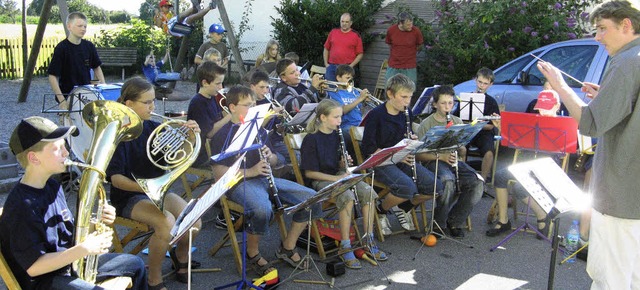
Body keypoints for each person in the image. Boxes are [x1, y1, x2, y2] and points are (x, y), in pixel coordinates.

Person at [539, 2, 640, 287]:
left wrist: (560, 87)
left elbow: (591, 124)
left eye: (602, 29)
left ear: (626, 26)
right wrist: (605, 96)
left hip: (621, 195)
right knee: (633, 277)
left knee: (610, 279)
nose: (598, 37)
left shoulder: (627, 61)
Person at [0, 116, 147, 290]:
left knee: (136, 264)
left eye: (65, 146)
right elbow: (34, 267)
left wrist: (97, 224)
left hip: (69, 264)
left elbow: (70, 237)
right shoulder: (22, 206)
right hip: (44, 281)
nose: (66, 153)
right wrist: (84, 249)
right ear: (33, 158)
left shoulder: (53, 186)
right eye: (58, 148)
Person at [210, 85, 322, 276]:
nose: (253, 108)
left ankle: (288, 246)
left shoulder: (257, 129)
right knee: (262, 209)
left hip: (265, 178)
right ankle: (252, 253)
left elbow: (278, 161)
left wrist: (271, 156)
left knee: (312, 198)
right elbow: (219, 175)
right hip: (239, 184)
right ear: (232, 107)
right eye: (247, 105)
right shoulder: (222, 135)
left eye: (254, 104)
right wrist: (251, 171)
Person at [106, 77, 202, 290]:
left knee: (194, 220)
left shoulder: (153, 127)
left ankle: (180, 257)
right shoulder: (117, 136)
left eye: (153, 101)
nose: (153, 106)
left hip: (158, 192)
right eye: (147, 102)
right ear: (129, 104)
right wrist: (146, 187)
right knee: (166, 222)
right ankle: (154, 279)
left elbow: (180, 156)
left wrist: (191, 137)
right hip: (129, 197)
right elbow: (116, 180)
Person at [300, 99, 386, 269]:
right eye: (336, 117)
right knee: (346, 196)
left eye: (341, 117)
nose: (340, 121)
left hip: (336, 175)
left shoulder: (337, 135)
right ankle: (345, 245)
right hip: (319, 180)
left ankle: (368, 239)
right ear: (323, 117)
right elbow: (309, 173)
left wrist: (342, 163)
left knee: (367, 191)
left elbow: (336, 165)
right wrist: (337, 179)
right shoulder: (311, 139)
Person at [361, 73, 443, 233]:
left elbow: (402, 139)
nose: (407, 102)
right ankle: (381, 210)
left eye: (410, 97)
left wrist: (411, 141)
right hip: (380, 162)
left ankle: (402, 206)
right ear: (390, 94)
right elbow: (368, 148)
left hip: (401, 159)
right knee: (407, 188)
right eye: (403, 97)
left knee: (436, 187)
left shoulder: (406, 113)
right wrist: (395, 155)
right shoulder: (376, 115)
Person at [485, 89, 564, 239]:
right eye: (541, 108)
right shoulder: (531, 122)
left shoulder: (562, 125)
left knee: (520, 185)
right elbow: (515, 142)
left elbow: (566, 151)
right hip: (526, 165)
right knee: (500, 176)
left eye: (547, 108)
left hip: (548, 167)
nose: (543, 112)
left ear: (557, 106)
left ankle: (542, 216)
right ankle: (503, 221)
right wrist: (502, 129)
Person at [416, 85, 483, 238]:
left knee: (477, 182)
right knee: (447, 181)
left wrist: (462, 149)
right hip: (433, 161)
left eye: (450, 103)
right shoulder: (426, 124)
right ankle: (438, 224)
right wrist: (441, 157)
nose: (448, 107)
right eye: (443, 103)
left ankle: (455, 221)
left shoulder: (457, 120)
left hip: (453, 160)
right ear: (434, 104)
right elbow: (418, 155)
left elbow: (462, 151)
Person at [48, 12, 104, 109]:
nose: (83, 29)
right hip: (68, 97)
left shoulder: (89, 46)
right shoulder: (61, 48)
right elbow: (52, 76)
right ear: (69, 26)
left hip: (88, 96)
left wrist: (104, 88)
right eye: (80, 26)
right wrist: (62, 101)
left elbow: (97, 67)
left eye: (85, 26)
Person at [456, 67, 501, 185]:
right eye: (480, 82)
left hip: (484, 132)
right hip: (467, 131)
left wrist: (475, 124)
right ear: (476, 80)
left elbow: (491, 126)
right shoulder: (465, 98)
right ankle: (462, 179)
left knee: (489, 150)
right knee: (461, 148)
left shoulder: (491, 102)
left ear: (490, 85)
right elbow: (456, 119)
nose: (481, 86)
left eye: (485, 84)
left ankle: (483, 181)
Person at [187, 61, 230, 168]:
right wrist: (230, 116)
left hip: (214, 146)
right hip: (203, 153)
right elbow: (210, 133)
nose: (221, 87)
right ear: (205, 83)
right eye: (218, 83)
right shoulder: (198, 103)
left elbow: (220, 119)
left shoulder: (213, 97)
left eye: (222, 83)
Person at [327, 64, 369, 156]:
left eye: (351, 78)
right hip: (345, 127)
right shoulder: (334, 93)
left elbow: (360, 110)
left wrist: (365, 102)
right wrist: (359, 99)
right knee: (366, 143)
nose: (350, 81)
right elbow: (341, 111)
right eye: (347, 78)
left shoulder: (355, 92)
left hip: (359, 124)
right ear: (338, 78)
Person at [384, 11, 424, 84]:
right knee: (389, 87)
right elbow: (390, 44)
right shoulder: (391, 30)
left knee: (410, 88)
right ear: (401, 23)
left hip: (409, 66)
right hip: (394, 65)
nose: (410, 26)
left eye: (411, 24)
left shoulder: (416, 31)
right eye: (408, 25)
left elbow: (419, 45)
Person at [323, 13, 364, 81]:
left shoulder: (356, 35)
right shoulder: (333, 32)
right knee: (329, 88)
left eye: (346, 22)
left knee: (344, 89)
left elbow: (360, 54)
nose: (344, 23)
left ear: (351, 23)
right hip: (332, 67)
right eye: (342, 21)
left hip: (346, 68)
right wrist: (326, 64)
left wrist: (351, 66)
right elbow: (326, 49)